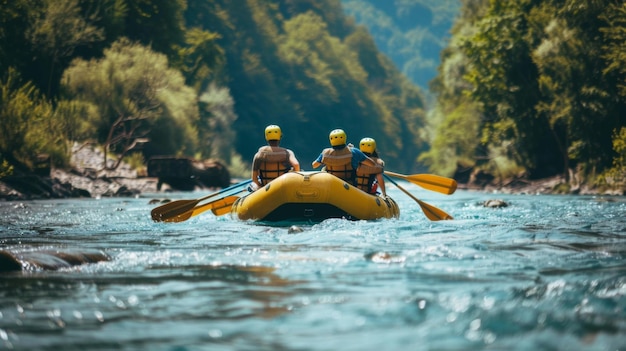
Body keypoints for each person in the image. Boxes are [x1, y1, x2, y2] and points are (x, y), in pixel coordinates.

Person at [311, 129, 381, 187]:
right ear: (344, 138)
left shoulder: (325, 153)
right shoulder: (354, 151)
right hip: (349, 186)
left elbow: (314, 165)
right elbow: (372, 164)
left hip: (331, 185)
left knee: (323, 169)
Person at [250, 125, 300, 191]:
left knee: (251, 186)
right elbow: (296, 165)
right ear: (280, 137)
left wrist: (260, 186)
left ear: (266, 137)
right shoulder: (288, 153)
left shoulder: (258, 155)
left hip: (266, 188)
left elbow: (254, 178)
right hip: (283, 186)